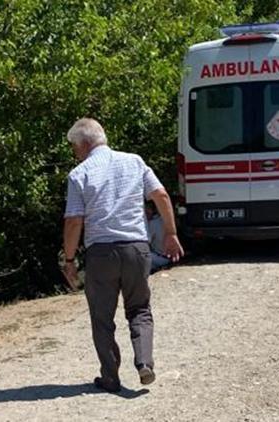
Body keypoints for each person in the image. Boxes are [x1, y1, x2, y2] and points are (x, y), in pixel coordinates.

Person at [61, 118, 184, 393]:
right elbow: (161, 196)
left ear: (83, 143)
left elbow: (73, 222)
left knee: (102, 317)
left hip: (101, 253)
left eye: (74, 147)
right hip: (136, 249)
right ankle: (144, 363)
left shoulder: (79, 174)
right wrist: (171, 233)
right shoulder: (134, 161)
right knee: (139, 308)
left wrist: (69, 261)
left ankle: (110, 377)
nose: (74, 152)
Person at [145, 202, 172, 274]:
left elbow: (146, 242)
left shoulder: (153, 223)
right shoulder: (163, 220)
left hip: (160, 258)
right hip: (168, 257)